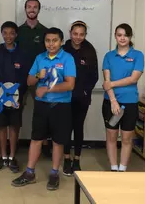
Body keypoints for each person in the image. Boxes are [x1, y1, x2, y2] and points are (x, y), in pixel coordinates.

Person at [11, 27, 76, 191]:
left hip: (61, 106)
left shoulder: (67, 58)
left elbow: (70, 84)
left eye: (54, 40)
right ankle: (29, 172)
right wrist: (40, 75)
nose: (51, 44)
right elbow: (29, 81)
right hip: (41, 105)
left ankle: (54, 173)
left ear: (61, 42)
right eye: (48, 40)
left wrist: (48, 89)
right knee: (36, 138)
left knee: (58, 141)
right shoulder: (40, 58)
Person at [102, 23, 144, 172]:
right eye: (119, 35)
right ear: (115, 36)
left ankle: (122, 169)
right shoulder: (108, 56)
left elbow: (133, 79)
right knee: (112, 137)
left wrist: (112, 83)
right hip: (111, 103)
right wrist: (113, 100)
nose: (122, 38)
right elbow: (106, 83)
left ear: (130, 37)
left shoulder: (138, 55)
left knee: (126, 138)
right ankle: (114, 168)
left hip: (130, 103)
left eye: (125, 35)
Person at [0, 21, 30, 173]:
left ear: (16, 35)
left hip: (16, 100)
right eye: (5, 33)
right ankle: (3, 157)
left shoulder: (23, 54)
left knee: (14, 127)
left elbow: (26, 78)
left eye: (11, 33)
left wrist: (19, 98)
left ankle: (12, 157)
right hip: (0, 99)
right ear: (2, 34)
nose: (8, 36)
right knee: (1, 128)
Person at [62, 21, 98, 175]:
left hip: (82, 97)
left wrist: (85, 91)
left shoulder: (89, 50)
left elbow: (94, 76)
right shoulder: (63, 49)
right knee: (65, 128)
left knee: (78, 127)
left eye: (81, 34)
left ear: (85, 35)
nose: (78, 37)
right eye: (75, 34)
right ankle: (66, 159)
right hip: (64, 96)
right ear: (70, 33)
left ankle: (76, 159)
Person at [16, 0, 51, 157]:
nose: (32, 9)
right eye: (29, 6)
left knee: (42, 111)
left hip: (39, 78)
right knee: (16, 111)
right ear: (25, 9)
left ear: (39, 10)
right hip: (20, 78)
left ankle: (44, 145)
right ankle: (13, 146)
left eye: (35, 7)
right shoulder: (18, 31)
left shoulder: (45, 31)